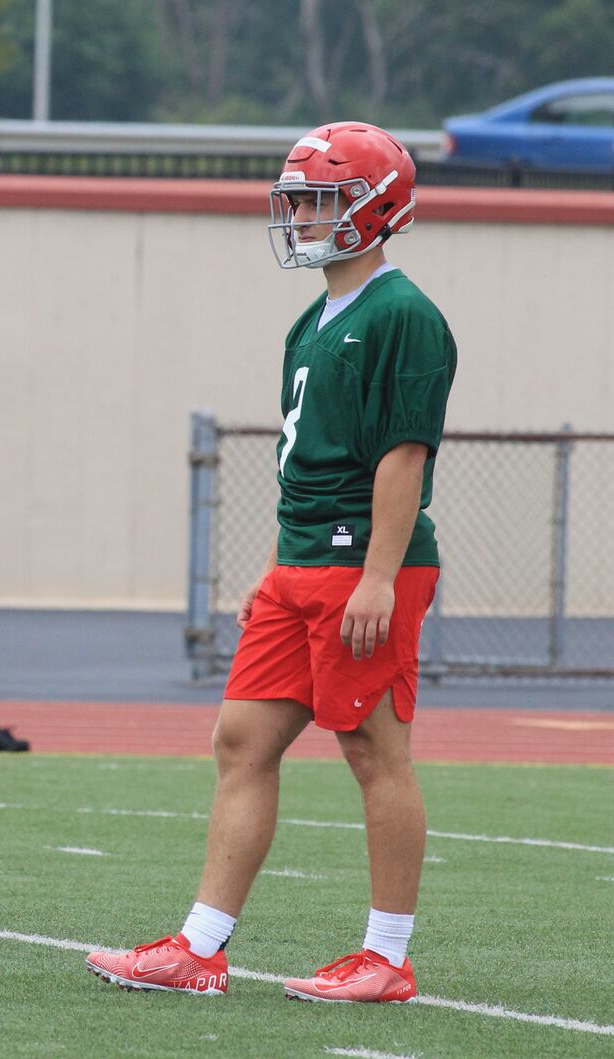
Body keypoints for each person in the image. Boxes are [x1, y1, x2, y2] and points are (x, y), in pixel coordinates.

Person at [87, 122, 457, 1002]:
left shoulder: (404, 314)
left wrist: (375, 571)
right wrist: (275, 561)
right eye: (296, 198)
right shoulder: (313, 317)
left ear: (374, 208)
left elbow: (403, 455)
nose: (299, 215)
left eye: (319, 198)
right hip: (302, 563)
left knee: (374, 750)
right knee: (242, 741)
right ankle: (200, 946)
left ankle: (388, 956)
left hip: (360, 567)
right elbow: (305, 456)